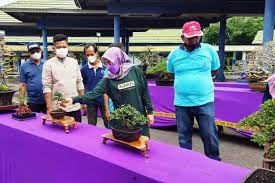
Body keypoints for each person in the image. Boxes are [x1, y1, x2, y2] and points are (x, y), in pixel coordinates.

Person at [62, 47, 154, 137]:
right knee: (123, 145)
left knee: (142, 142)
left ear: (119, 59)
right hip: (121, 119)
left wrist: (150, 112)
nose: (108, 66)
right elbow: (93, 94)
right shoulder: (108, 79)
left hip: (139, 116)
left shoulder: (135, 71)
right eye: (106, 63)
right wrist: (73, 99)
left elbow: (145, 92)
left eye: (110, 62)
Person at [167, 21, 221, 161]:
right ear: (182, 37)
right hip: (182, 103)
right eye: (190, 37)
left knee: (209, 135)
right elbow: (172, 74)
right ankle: (187, 163)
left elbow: (214, 70)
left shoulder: (209, 50)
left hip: (205, 101)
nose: (194, 39)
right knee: (184, 136)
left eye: (197, 36)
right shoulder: (174, 54)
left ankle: (214, 162)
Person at [42, 34, 84, 122]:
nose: (62, 49)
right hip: (57, 109)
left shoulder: (74, 62)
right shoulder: (48, 64)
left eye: (64, 46)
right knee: (58, 133)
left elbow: (79, 82)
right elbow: (47, 87)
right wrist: (49, 107)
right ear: (54, 48)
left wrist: (83, 100)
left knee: (76, 132)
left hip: (74, 106)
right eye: (59, 47)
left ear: (67, 47)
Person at [81, 43, 109, 127]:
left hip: (104, 100)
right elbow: (82, 85)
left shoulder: (105, 68)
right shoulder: (84, 69)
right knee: (91, 125)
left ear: (97, 53)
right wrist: (83, 101)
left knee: (108, 122)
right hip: (91, 101)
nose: (90, 56)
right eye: (87, 55)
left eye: (92, 54)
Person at [19, 43, 46, 113]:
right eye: (32, 52)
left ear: (41, 51)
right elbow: (23, 84)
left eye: (37, 51)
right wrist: (22, 101)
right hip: (32, 101)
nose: (35, 53)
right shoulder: (24, 66)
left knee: (48, 120)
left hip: (47, 99)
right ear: (29, 53)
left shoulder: (47, 64)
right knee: (33, 121)